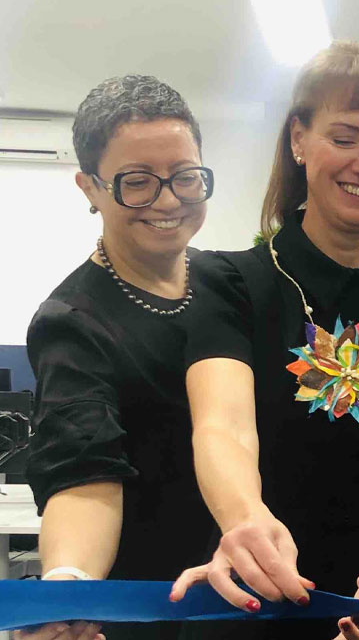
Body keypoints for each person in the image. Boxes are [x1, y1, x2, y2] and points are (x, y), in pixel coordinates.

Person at [169, 41, 359, 640]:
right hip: (251, 589)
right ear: (298, 140)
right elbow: (223, 427)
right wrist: (248, 524)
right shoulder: (228, 281)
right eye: (345, 137)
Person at [20, 75, 216, 640]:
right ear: (90, 188)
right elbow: (83, 469)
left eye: (185, 176)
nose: (168, 200)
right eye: (137, 181)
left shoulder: (229, 284)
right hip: (153, 609)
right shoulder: (72, 321)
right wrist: (69, 583)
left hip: (264, 596)